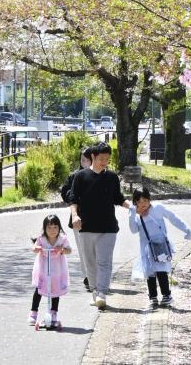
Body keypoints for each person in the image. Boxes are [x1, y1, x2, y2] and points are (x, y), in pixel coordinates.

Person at [68, 141, 130, 309]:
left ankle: (102, 292)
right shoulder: (80, 177)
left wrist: (132, 207)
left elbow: (118, 197)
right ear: (93, 157)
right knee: (90, 262)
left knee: (104, 261)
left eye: (107, 159)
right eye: (101, 158)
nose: (104, 162)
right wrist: (75, 216)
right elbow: (73, 199)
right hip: (86, 226)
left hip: (108, 227)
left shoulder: (111, 177)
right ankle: (95, 291)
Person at [129, 187, 191, 309]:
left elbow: (172, 217)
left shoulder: (158, 208)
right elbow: (133, 230)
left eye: (145, 201)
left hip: (161, 246)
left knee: (161, 271)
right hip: (146, 248)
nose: (143, 205)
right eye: (139, 202)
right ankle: (153, 297)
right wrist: (131, 215)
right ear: (135, 202)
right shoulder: (136, 215)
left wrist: (186, 229)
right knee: (150, 273)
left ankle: (166, 295)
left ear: (149, 200)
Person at [29, 213, 71, 330]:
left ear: (59, 228)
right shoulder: (41, 239)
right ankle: (33, 312)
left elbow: (69, 250)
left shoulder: (62, 239)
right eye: (49, 228)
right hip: (43, 269)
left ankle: (53, 313)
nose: (52, 230)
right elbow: (34, 248)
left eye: (55, 227)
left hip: (57, 270)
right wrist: (36, 249)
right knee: (39, 289)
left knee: (55, 291)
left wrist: (62, 249)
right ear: (45, 228)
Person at [60, 145, 93, 290]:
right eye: (82, 160)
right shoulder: (74, 176)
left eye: (87, 160)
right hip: (77, 218)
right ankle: (87, 276)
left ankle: (96, 276)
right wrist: (74, 197)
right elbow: (65, 192)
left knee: (94, 249)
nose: (84, 162)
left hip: (95, 218)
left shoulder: (100, 175)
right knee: (82, 249)